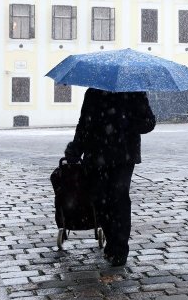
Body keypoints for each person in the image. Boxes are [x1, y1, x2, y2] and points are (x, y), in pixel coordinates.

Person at [64, 88, 156, 266]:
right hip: (97, 155)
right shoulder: (94, 93)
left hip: (123, 156)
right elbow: (84, 123)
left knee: (119, 199)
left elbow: (149, 123)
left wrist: (126, 122)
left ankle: (119, 249)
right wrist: (75, 149)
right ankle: (113, 244)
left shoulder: (135, 92)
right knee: (101, 201)